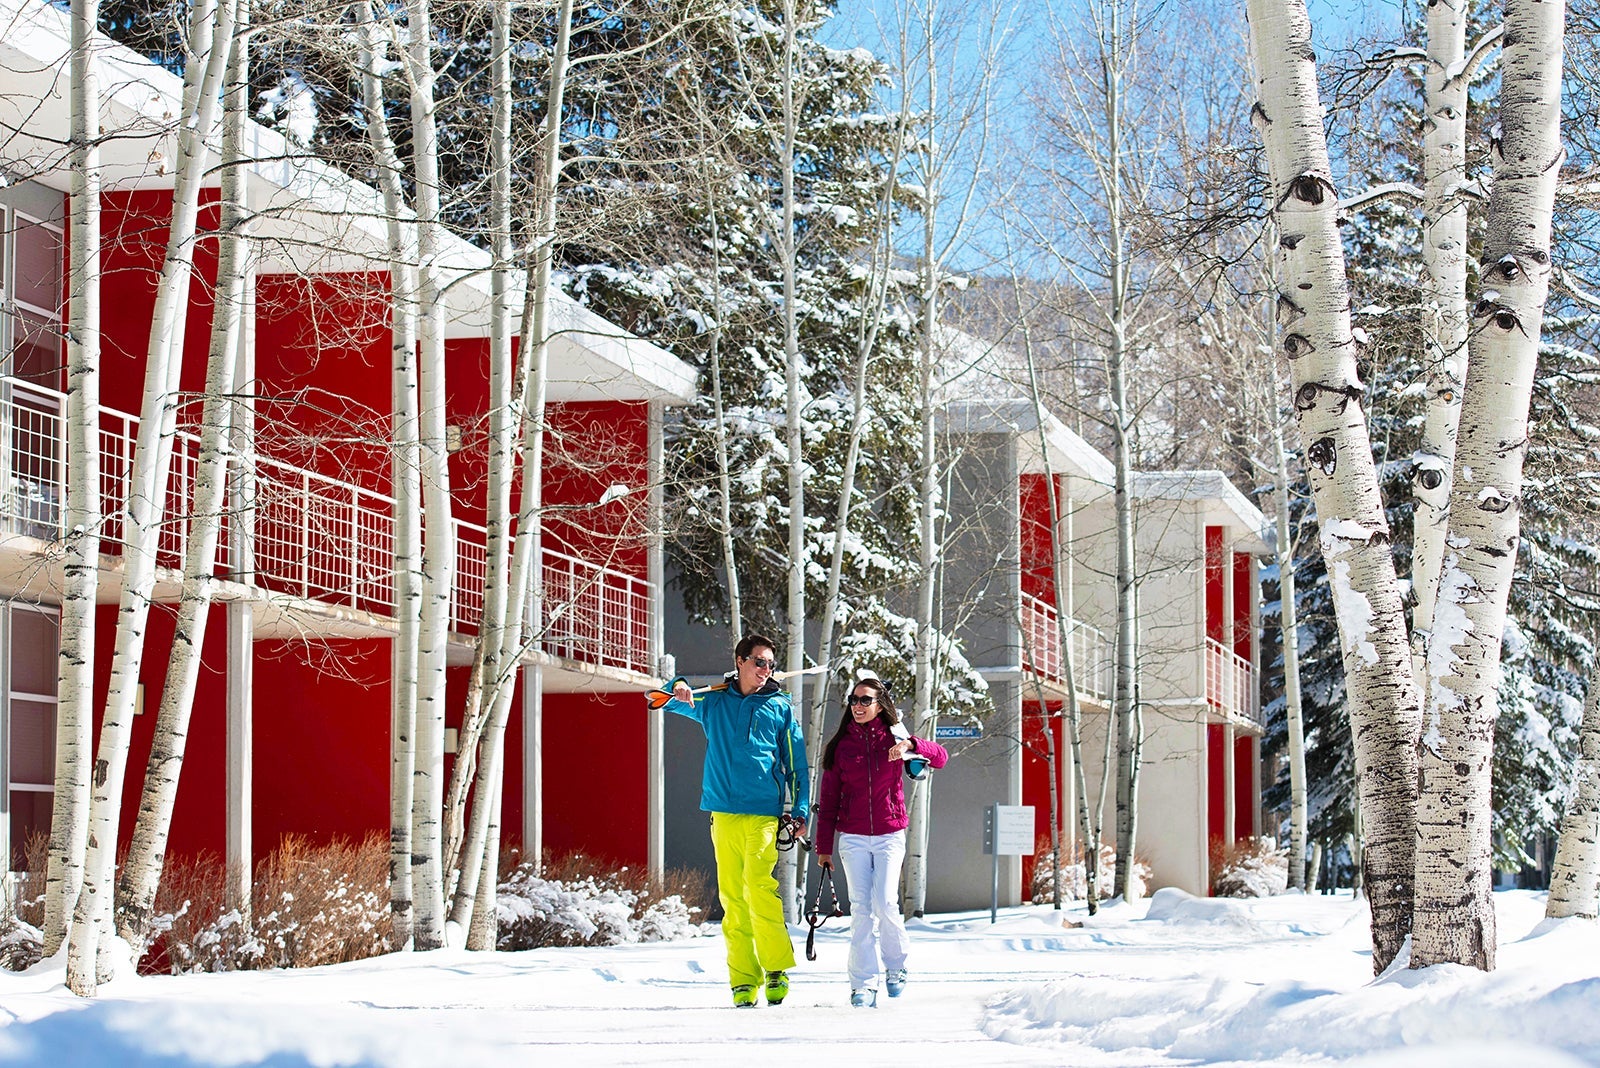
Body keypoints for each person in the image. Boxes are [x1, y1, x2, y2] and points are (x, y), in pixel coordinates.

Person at [667, 634, 810, 1008]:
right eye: (759, 662)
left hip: (764, 813)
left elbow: (797, 764)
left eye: (770, 665)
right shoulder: (712, 701)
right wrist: (678, 686)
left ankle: (776, 968)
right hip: (723, 812)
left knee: (758, 887)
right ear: (741, 661)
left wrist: (801, 810)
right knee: (732, 897)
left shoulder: (780, 707)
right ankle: (743, 979)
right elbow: (661, 700)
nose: (765, 670)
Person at [812, 675, 948, 1007]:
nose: (857, 706)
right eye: (853, 700)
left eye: (865, 700)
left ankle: (897, 966)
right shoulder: (840, 747)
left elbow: (941, 757)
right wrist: (823, 848)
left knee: (886, 902)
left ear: (879, 704)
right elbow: (828, 800)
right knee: (860, 909)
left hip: (889, 834)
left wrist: (911, 745)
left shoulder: (896, 737)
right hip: (853, 837)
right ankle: (862, 984)